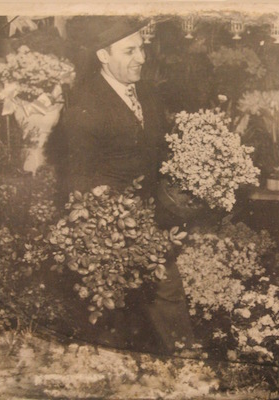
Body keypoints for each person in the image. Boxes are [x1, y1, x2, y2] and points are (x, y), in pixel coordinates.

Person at [46, 16, 197, 355]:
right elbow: (78, 179)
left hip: (153, 223)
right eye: (129, 51)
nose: (141, 58)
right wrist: (105, 228)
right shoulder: (85, 104)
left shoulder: (147, 94)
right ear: (103, 55)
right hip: (112, 230)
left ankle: (188, 370)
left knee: (165, 301)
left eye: (141, 48)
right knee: (116, 321)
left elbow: (160, 152)